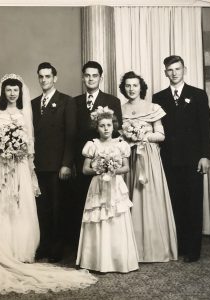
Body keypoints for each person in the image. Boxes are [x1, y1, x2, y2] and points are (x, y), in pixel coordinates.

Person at [0, 74, 97, 294]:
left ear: (20, 93)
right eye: (8, 90)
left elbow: (31, 142)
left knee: (19, 205)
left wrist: (23, 156)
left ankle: (20, 249)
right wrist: (1, 147)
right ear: (3, 92)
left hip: (19, 165)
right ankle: (0, 247)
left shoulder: (25, 112)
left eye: (15, 90)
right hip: (0, 164)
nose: (11, 93)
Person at [152, 55, 210, 262]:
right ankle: (180, 246)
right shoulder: (158, 98)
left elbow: (205, 128)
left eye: (177, 69)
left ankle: (193, 250)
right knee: (175, 203)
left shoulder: (198, 94)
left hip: (194, 158)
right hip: (169, 159)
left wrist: (205, 155)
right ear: (165, 72)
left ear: (184, 70)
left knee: (193, 203)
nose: (174, 73)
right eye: (170, 70)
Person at [120, 71, 177, 262]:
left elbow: (161, 134)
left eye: (135, 85)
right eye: (128, 86)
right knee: (128, 197)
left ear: (140, 87)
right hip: (128, 158)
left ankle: (152, 248)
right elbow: (116, 136)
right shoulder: (120, 109)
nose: (131, 89)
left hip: (148, 158)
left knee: (148, 199)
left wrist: (143, 137)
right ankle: (131, 248)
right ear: (124, 88)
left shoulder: (153, 107)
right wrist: (128, 138)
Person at [76, 107, 138, 273]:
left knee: (115, 218)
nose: (105, 128)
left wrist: (112, 169)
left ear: (114, 126)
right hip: (98, 186)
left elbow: (126, 168)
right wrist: (100, 169)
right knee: (98, 219)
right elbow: (84, 170)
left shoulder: (121, 144)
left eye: (109, 125)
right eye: (102, 125)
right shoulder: (92, 145)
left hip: (115, 186)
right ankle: (97, 260)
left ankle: (117, 260)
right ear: (97, 127)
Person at [73, 61, 122, 245]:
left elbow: (116, 132)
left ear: (101, 77)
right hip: (83, 160)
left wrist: (108, 159)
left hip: (105, 159)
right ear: (83, 77)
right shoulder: (75, 101)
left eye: (94, 75)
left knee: (104, 203)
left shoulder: (112, 101)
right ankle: (86, 247)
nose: (91, 78)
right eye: (87, 75)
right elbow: (72, 133)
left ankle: (106, 245)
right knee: (83, 202)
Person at [31, 62, 76, 262]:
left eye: (47, 76)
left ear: (55, 78)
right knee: (42, 208)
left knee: (58, 208)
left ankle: (58, 247)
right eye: (41, 76)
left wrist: (66, 163)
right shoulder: (32, 103)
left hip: (58, 165)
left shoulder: (66, 101)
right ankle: (45, 245)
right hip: (38, 165)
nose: (44, 80)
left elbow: (71, 134)